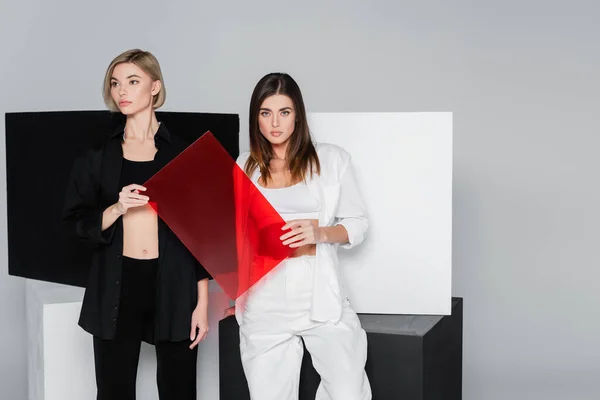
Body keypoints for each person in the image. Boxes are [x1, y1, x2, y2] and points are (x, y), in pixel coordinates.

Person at [62, 49, 211, 400]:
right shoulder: (98, 155)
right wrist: (116, 207)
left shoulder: (184, 153)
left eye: (132, 81)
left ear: (155, 88)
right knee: (114, 392)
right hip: (118, 283)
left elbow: (202, 235)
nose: (121, 91)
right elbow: (74, 221)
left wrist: (202, 303)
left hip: (174, 285)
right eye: (115, 83)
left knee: (179, 391)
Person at [229, 72, 372, 400]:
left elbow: (358, 223)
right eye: (265, 113)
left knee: (348, 392)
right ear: (256, 119)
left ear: (298, 115)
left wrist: (319, 232)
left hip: (318, 296)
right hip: (264, 301)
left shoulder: (331, 159)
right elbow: (238, 237)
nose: (274, 123)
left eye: (284, 112)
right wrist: (231, 290)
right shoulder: (245, 166)